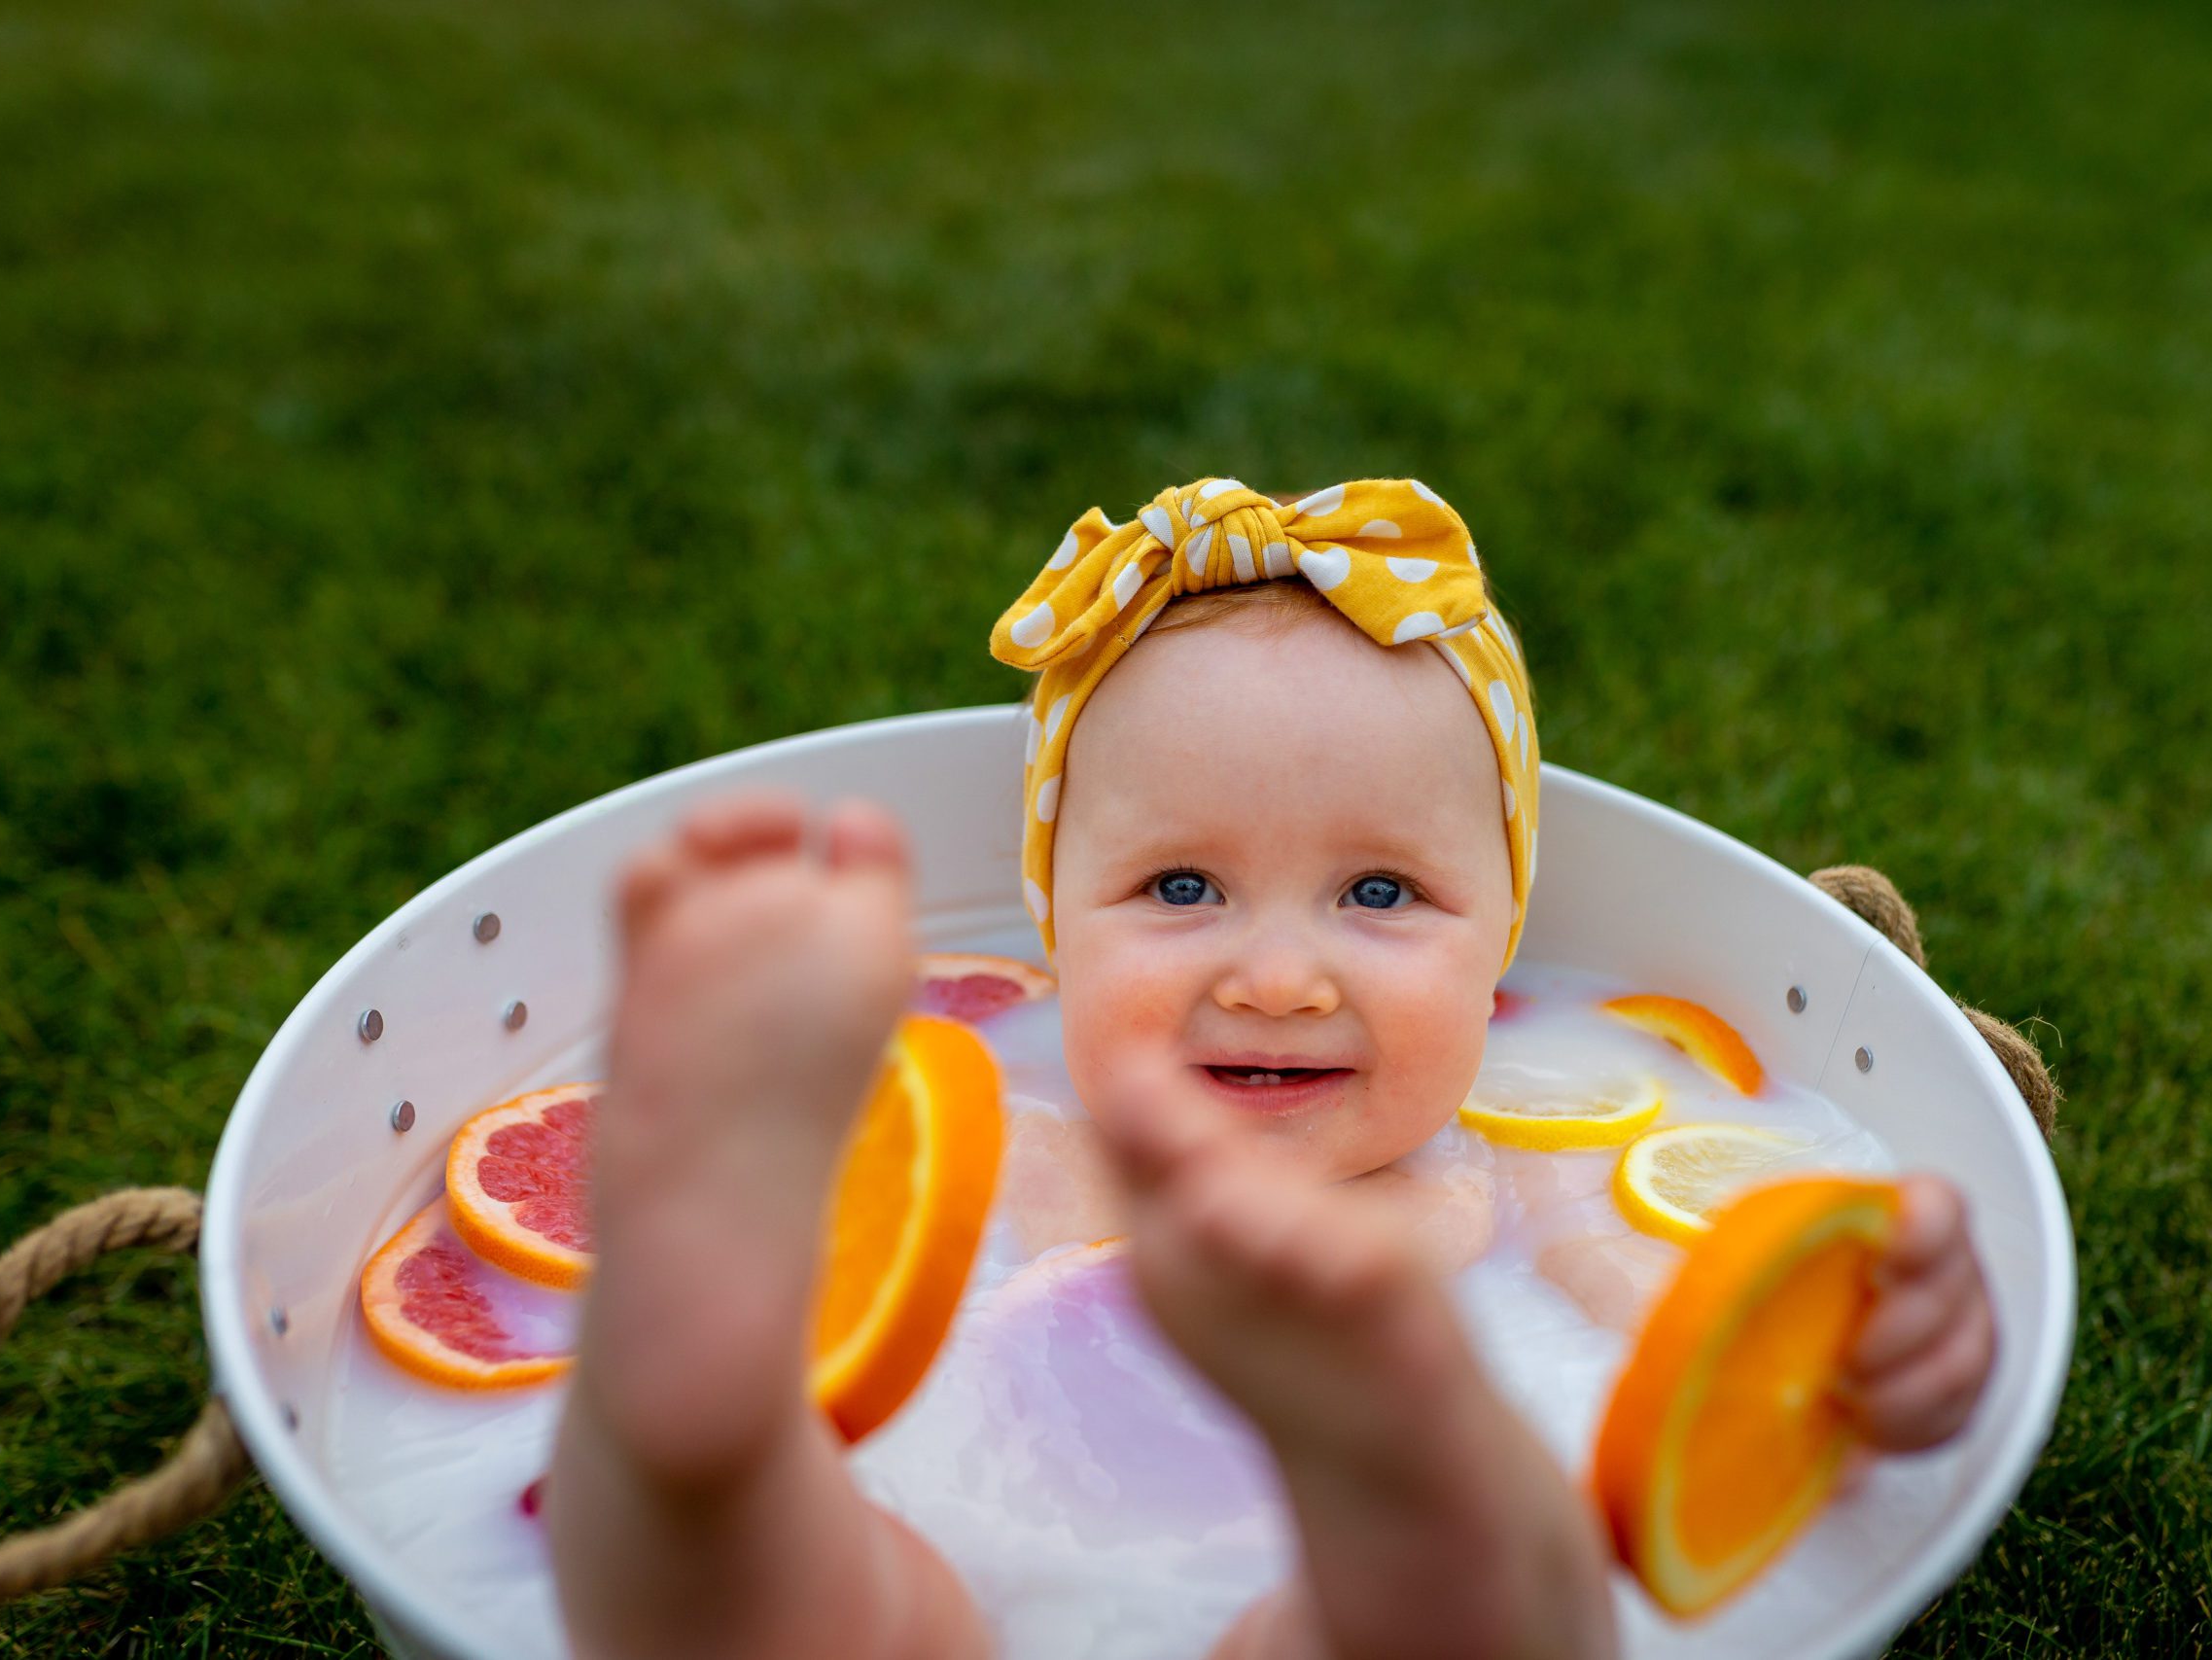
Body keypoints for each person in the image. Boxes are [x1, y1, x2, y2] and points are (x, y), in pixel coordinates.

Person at [547, 478, 1999, 1659]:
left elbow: (1697, 1339)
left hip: (1306, 1607)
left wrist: (1866, 1359)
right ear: (1055, 934)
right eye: (1181, 890)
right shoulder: (1009, 1140)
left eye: (1377, 896)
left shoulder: (1523, 1178)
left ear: (1500, 947)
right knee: (825, 1597)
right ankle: (704, 1439)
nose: (1277, 977)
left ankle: (1416, 1491)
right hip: (974, 1516)